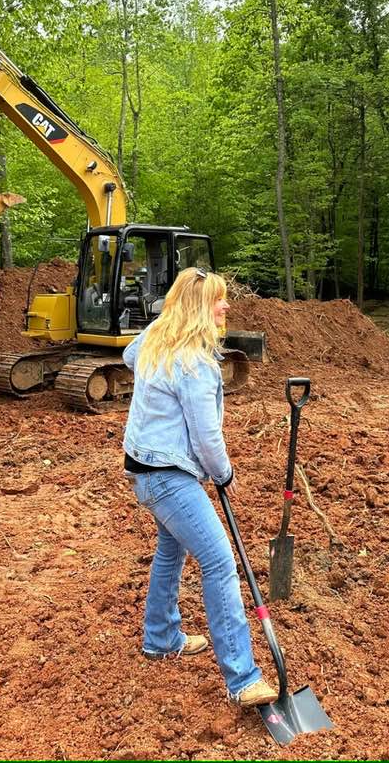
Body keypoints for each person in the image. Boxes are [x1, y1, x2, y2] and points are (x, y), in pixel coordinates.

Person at [123, 266, 277, 707]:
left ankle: (160, 637)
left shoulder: (156, 340)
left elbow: (131, 357)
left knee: (170, 549)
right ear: (197, 308)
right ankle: (242, 678)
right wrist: (224, 473)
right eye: (217, 299)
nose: (225, 305)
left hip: (142, 466)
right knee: (219, 561)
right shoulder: (196, 365)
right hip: (166, 475)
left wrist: (167, 322)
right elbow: (207, 439)